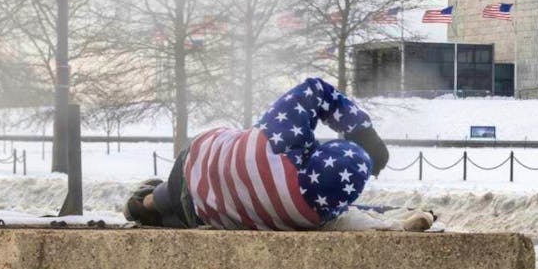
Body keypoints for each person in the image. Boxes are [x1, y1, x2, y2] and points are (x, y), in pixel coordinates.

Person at [125, 77, 389, 230]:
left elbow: (315, 90)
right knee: (178, 206)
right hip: (206, 212)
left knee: (170, 192)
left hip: (198, 160)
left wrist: (362, 131)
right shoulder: (312, 216)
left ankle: (143, 203)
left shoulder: (281, 140)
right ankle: (151, 206)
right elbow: (345, 211)